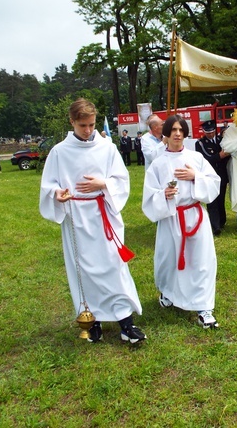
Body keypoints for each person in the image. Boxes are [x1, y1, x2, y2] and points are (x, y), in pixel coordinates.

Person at [39, 98, 146, 344]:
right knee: (84, 270)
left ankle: (125, 322)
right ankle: (92, 319)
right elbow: (49, 185)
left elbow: (121, 179)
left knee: (114, 266)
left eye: (91, 124)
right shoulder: (59, 152)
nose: (88, 131)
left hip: (103, 214)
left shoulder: (107, 148)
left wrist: (103, 184)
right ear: (72, 122)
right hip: (76, 218)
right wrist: (57, 194)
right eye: (82, 125)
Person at [142, 115, 221, 328]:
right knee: (169, 260)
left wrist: (195, 176)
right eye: (173, 130)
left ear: (185, 134)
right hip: (171, 218)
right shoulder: (158, 164)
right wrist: (164, 195)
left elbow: (214, 183)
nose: (177, 133)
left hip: (195, 216)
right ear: (165, 135)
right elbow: (148, 197)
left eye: (181, 130)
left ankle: (205, 307)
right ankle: (169, 292)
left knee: (201, 261)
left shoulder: (195, 158)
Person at [195, 120, 230, 236]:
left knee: (221, 199)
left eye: (212, 132)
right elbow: (204, 159)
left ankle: (222, 221)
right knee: (212, 201)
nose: (210, 134)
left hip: (222, 175)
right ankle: (215, 226)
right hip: (209, 176)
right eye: (207, 132)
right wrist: (219, 156)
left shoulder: (221, 140)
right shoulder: (200, 143)